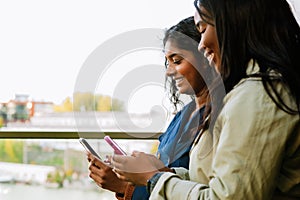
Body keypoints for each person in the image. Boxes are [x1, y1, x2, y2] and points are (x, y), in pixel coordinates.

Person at [111, 0, 300, 199]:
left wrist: (154, 178)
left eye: (202, 29)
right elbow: (212, 180)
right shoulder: (250, 92)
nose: (201, 45)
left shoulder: (258, 96)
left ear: (233, 24)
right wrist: (163, 173)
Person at [87, 16, 215, 200]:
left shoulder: (219, 116)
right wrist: (128, 175)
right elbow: (161, 177)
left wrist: (124, 187)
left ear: (206, 55)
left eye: (177, 61)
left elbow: (181, 188)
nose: (169, 71)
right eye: (168, 62)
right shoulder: (182, 116)